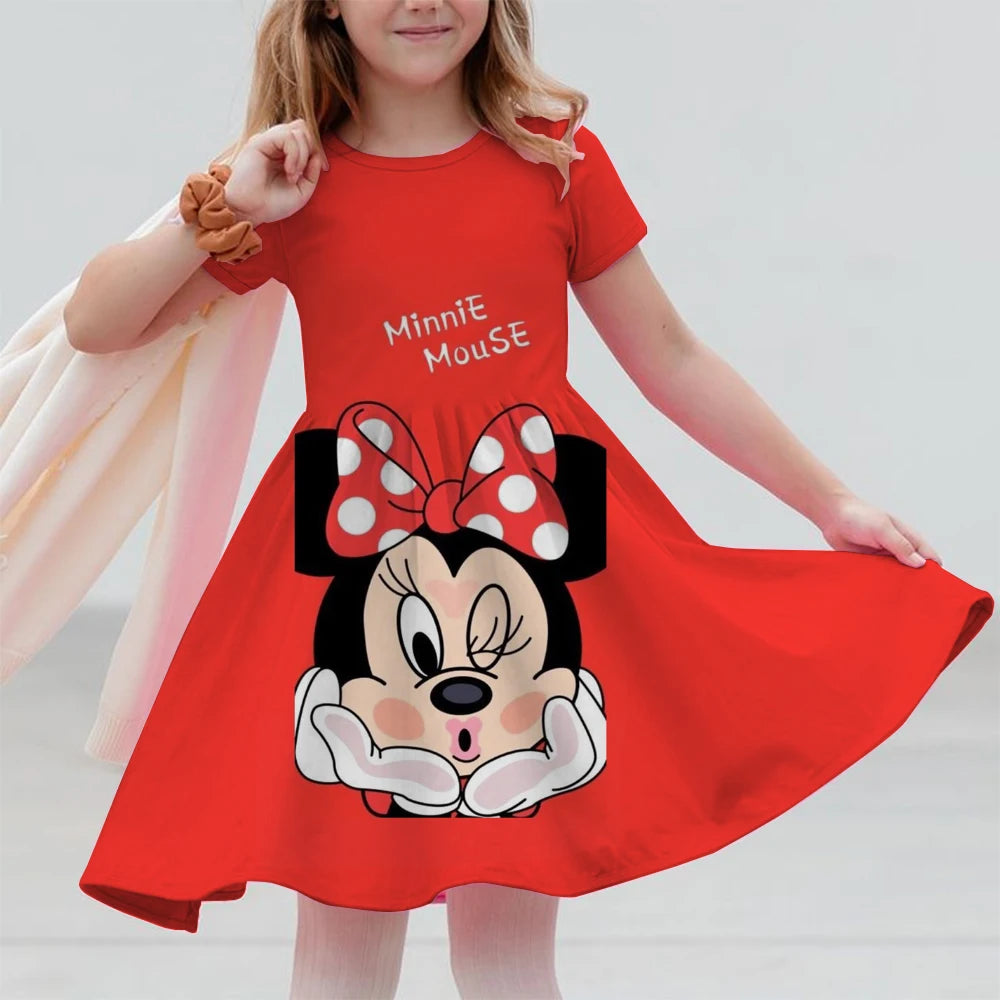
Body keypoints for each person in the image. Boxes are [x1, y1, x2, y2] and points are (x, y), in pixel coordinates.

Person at [39, 1, 991, 998]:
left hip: (528, 576)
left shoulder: (556, 159)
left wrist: (826, 502)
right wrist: (222, 204)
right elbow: (101, 323)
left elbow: (669, 355)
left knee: (505, 935)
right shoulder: (288, 178)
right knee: (342, 929)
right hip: (363, 586)